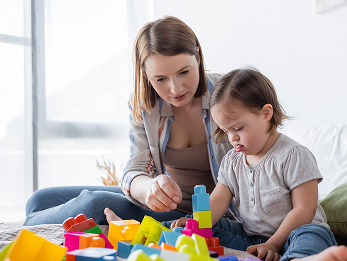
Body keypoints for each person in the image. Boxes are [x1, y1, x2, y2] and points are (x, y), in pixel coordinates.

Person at [23, 16, 236, 226]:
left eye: (184, 72)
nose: (175, 88)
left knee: (95, 204)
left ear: (197, 56)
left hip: (206, 215)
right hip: (163, 205)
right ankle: (34, 224)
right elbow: (135, 170)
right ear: (146, 74)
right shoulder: (145, 105)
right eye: (160, 79)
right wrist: (151, 188)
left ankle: (25, 229)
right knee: (40, 199)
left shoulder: (230, 93)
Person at [169, 68, 347, 261]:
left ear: (266, 113)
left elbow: (304, 209)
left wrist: (274, 244)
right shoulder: (232, 161)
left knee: (312, 236)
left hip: (297, 232)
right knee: (211, 228)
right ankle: (166, 239)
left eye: (238, 128)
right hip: (253, 239)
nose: (232, 138)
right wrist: (194, 224)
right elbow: (217, 201)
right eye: (225, 130)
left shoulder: (293, 155)